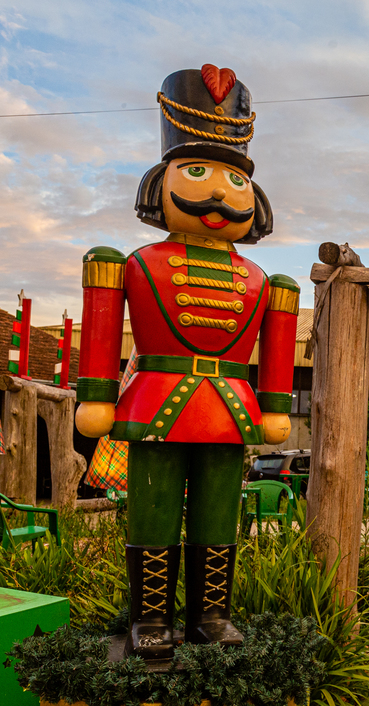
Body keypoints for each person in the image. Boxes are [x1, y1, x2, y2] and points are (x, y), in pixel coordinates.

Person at [76, 65, 298, 659]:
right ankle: (149, 618)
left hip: (229, 409)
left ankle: (210, 616)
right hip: (157, 401)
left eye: (234, 177)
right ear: (162, 179)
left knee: (218, 513)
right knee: (151, 508)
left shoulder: (264, 280)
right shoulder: (133, 262)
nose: (220, 191)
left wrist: (276, 403)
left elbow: (275, 349)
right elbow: (102, 334)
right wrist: (95, 395)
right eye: (196, 171)